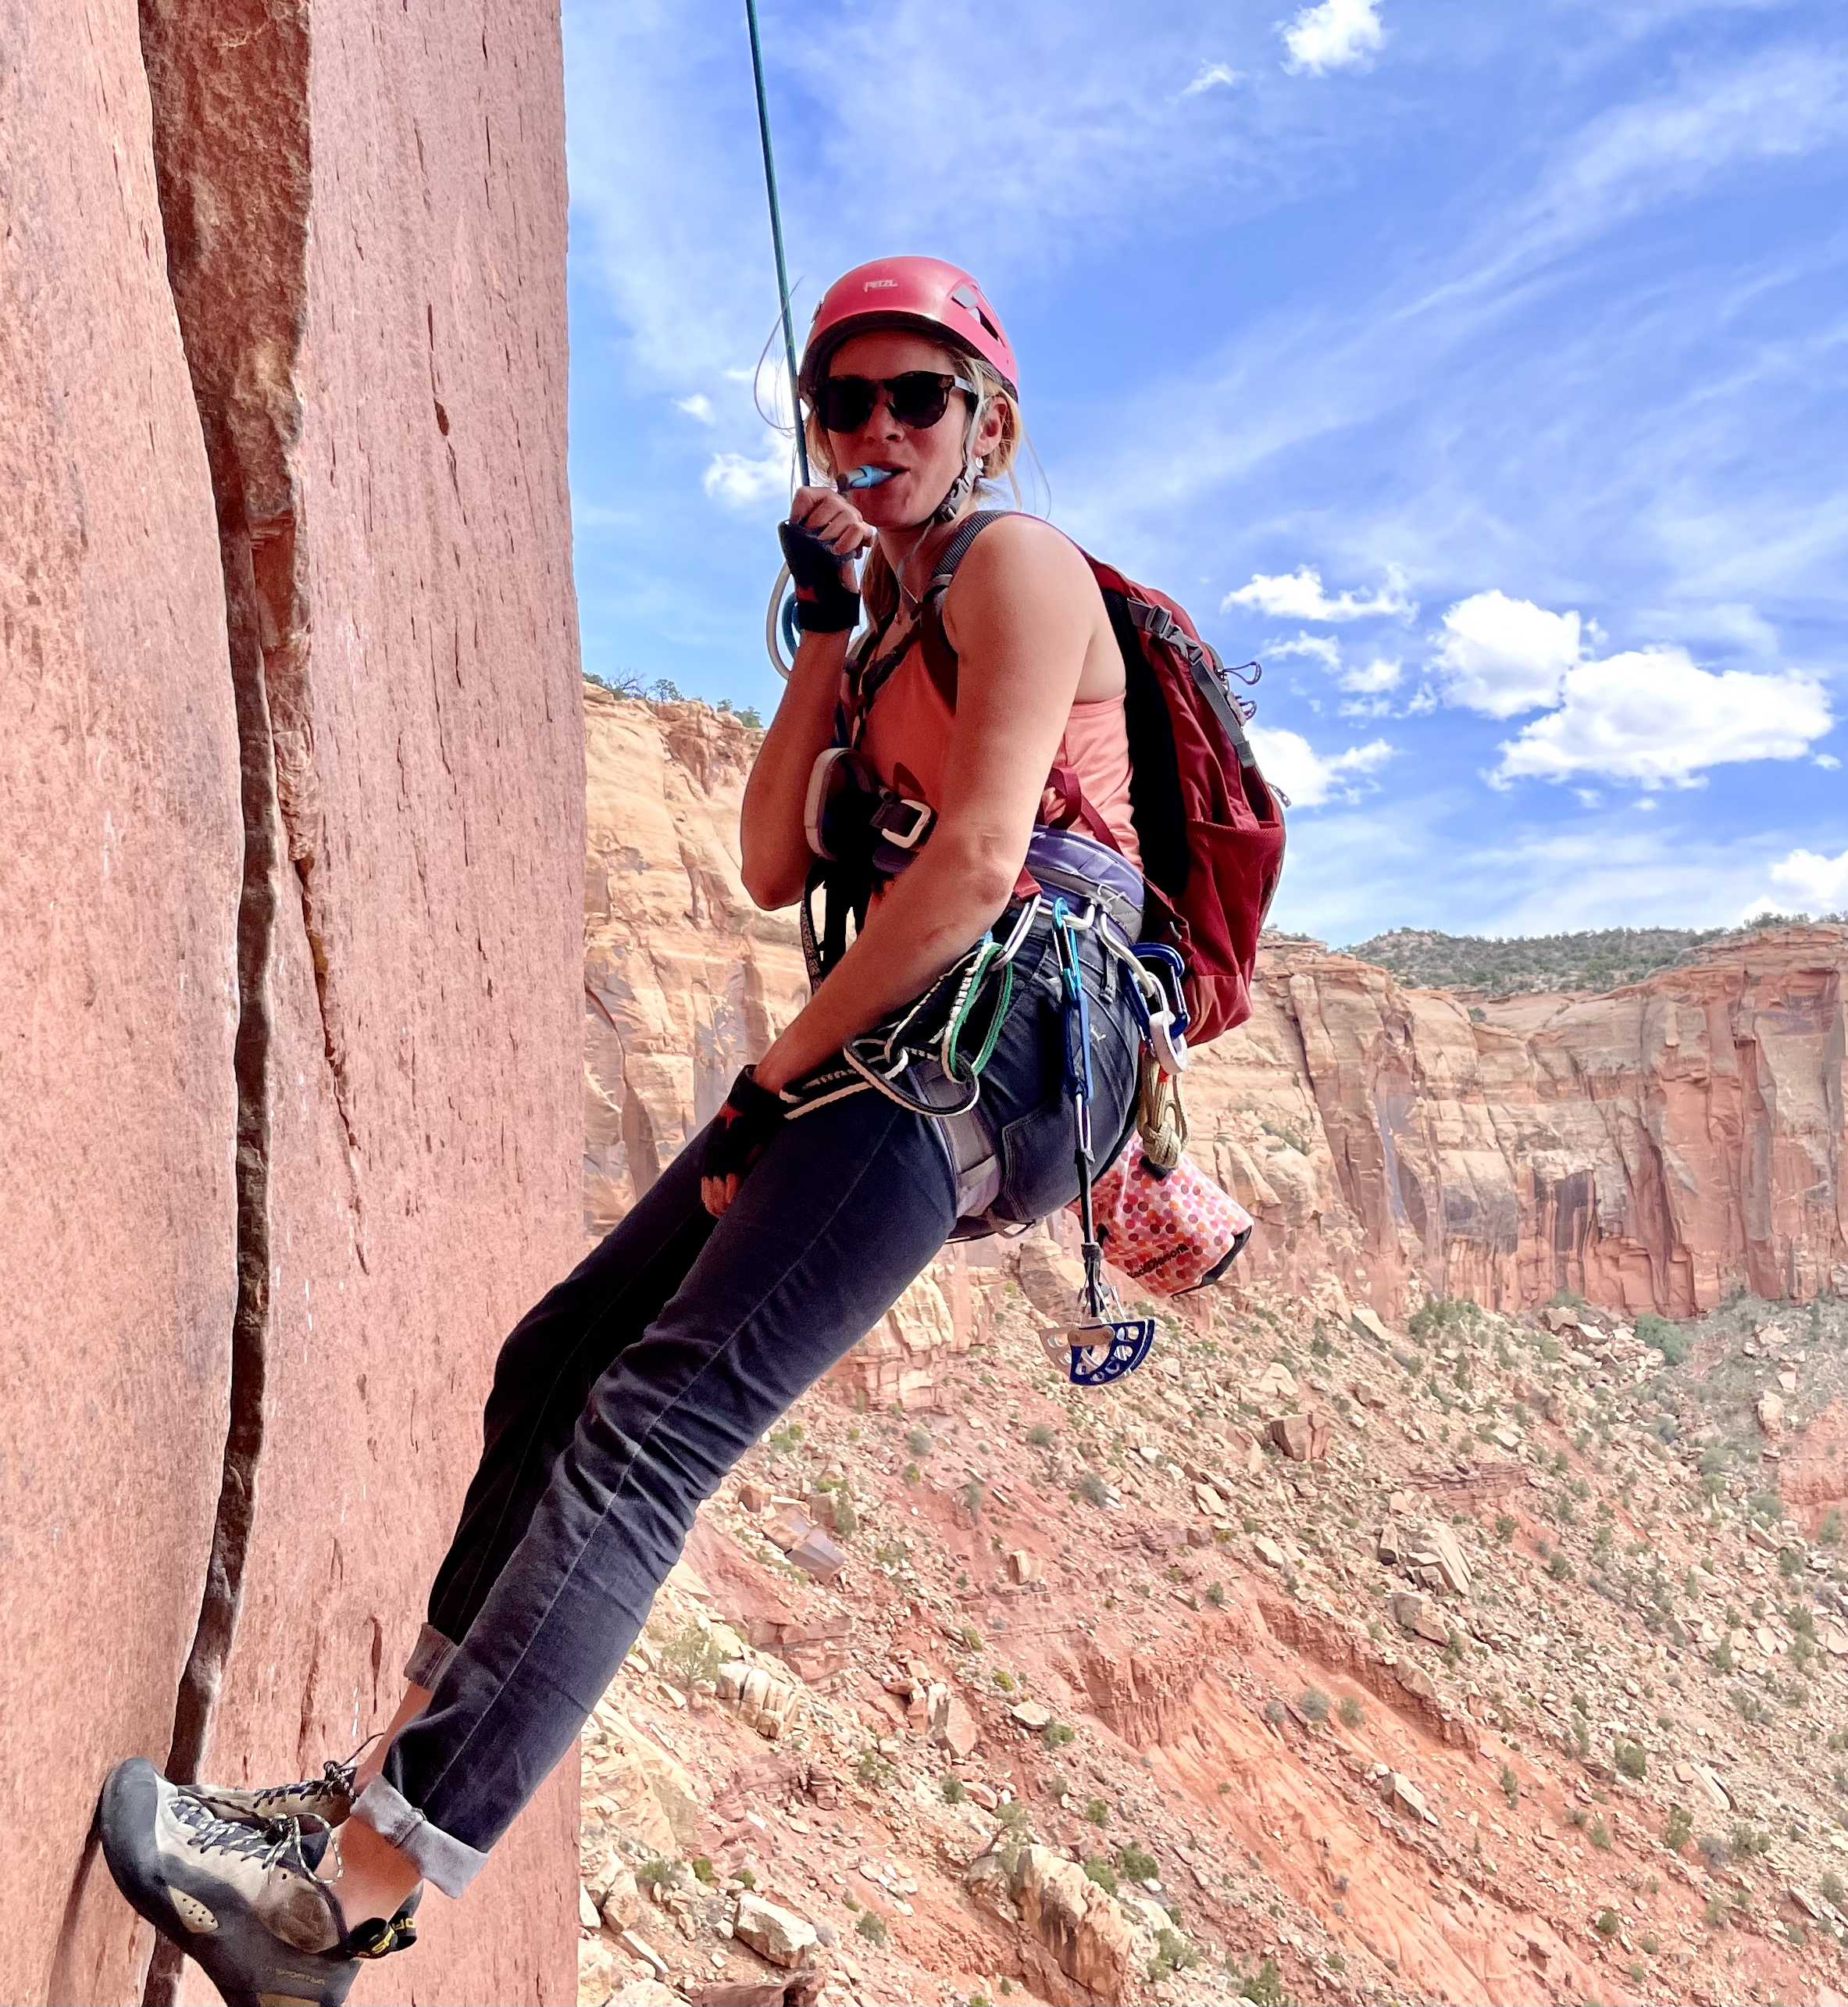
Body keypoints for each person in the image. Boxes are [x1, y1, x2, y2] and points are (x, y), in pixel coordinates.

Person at [98, 255, 1150, 2005]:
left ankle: (332, 1908)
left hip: (997, 1044)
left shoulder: (1016, 564)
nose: (881, 428)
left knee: (658, 1429)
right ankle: (361, 1800)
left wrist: (765, 1081)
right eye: (847, 401)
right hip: (907, 1041)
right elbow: (769, 860)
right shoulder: (888, 618)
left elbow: (977, 863)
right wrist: (826, 620)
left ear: (990, 421)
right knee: (564, 1359)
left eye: (919, 398)